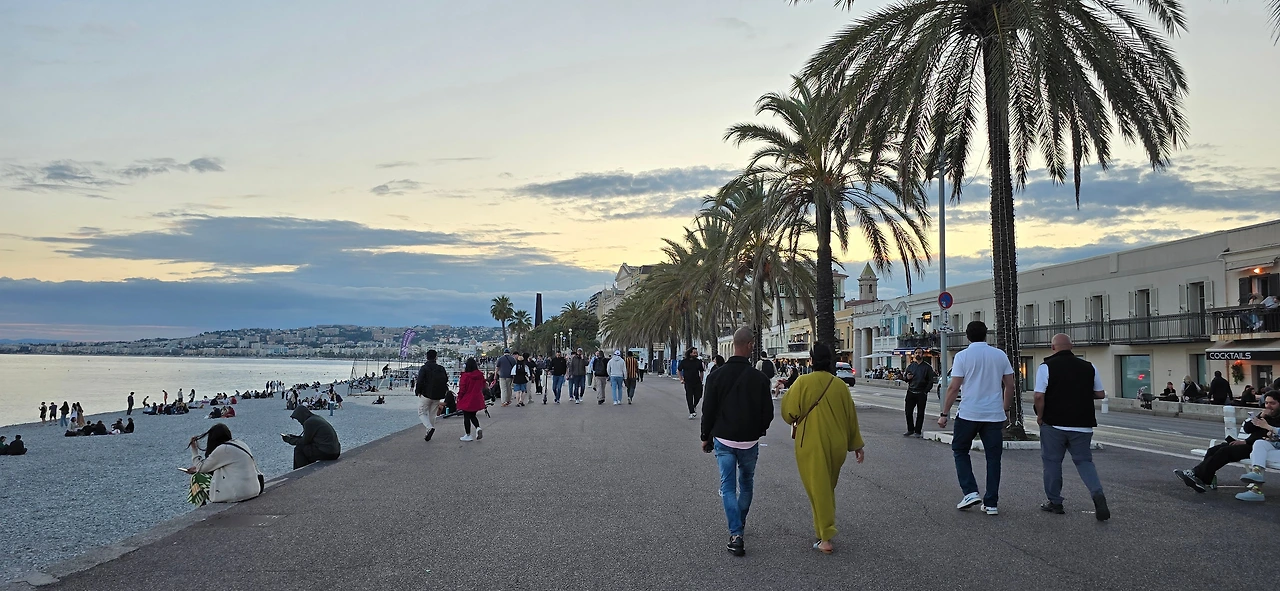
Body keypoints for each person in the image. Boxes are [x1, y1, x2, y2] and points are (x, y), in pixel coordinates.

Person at [780, 342, 865, 554]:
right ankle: (821, 531)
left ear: (811, 360)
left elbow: (788, 413)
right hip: (837, 444)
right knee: (826, 487)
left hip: (811, 442)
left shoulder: (803, 382)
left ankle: (826, 536)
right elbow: (851, 417)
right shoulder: (840, 386)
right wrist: (857, 445)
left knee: (819, 488)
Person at [700, 327, 774, 557]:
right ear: (750, 345)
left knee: (728, 486)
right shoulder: (760, 379)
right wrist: (758, 430)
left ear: (733, 344)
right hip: (749, 442)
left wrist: (705, 436)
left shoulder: (716, 376)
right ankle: (739, 523)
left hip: (724, 439)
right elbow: (768, 413)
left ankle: (736, 533)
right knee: (747, 483)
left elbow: (708, 410)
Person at [938, 321, 1015, 516]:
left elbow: (954, 387)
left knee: (960, 450)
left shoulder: (962, 356)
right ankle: (991, 503)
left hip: (968, 414)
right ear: (986, 334)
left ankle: (970, 492)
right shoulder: (1000, 355)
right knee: (993, 458)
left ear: (967, 336)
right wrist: (1005, 408)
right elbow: (1010, 385)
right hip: (994, 415)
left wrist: (944, 414)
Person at [1033, 334, 1110, 520]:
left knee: (1052, 462)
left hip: (1054, 423)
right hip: (1082, 424)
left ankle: (1055, 502)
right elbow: (1100, 394)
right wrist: (1080, 393)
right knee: (1084, 462)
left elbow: (1039, 396)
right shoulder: (1089, 367)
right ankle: (1097, 493)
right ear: (1072, 346)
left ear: (1053, 347)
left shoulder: (1046, 367)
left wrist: (1040, 416)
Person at [1178, 391, 1280, 500]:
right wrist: (1259, 416)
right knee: (1214, 449)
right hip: (1250, 444)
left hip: (1256, 448)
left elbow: (1267, 438)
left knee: (1225, 452)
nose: (1268, 406)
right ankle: (1203, 480)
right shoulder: (1265, 416)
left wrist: (1247, 441)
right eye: (1266, 403)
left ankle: (1196, 474)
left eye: (1272, 403)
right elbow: (1248, 429)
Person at [184, 423, 263, 504]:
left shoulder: (223, 449)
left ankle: (202, 506)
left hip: (239, 494)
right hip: (255, 489)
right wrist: (196, 468)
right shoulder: (240, 443)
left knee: (197, 477)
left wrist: (194, 450)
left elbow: (201, 468)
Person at [415, 349, 449, 442]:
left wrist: (418, 391)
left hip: (426, 394)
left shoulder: (424, 368)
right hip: (438, 395)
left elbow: (420, 381)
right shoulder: (441, 368)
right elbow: (446, 380)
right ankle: (428, 431)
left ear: (427, 357)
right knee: (432, 414)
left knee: (421, 412)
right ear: (436, 357)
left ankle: (429, 428)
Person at [903, 350, 937, 438]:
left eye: (919, 353)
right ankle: (910, 429)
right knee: (908, 412)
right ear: (914, 354)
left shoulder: (927, 367)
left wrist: (925, 391)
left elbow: (930, 381)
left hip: (921, 392)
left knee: (920, 413)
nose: (918, 354)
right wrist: (907, 378)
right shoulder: (911, 366)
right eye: (916, 353)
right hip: (911, 391)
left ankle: (918, 431)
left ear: (922, 354)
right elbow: (905, 378)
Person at [456, 358, 486, 441]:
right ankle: (478, 427)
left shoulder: (465, 376)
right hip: (477, 398)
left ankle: (468, 434)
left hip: (467, 398)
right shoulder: (480, 375)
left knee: (466, 417)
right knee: (472, 415)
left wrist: (459, 398)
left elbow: (462, 389)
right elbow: (483, 386)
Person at [679, 348, 705, 420]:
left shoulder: (698, 362)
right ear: (690, 353)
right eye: (694, 353)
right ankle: (692, 412)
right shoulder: (684, 362)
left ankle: (694, 406)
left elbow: (701, 371)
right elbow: (679, 370)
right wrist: (681, 379)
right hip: (688, 382)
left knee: (698, 395)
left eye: (696, 353)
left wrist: (701, 379)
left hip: (697, 382)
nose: (696, 354)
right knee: (689, 396)